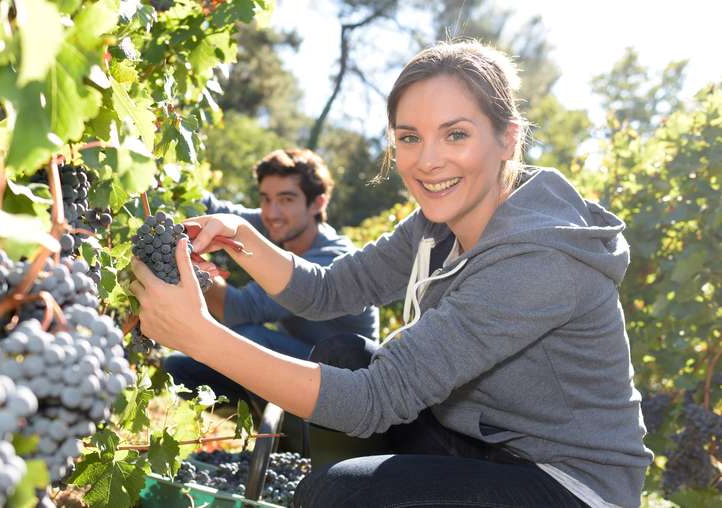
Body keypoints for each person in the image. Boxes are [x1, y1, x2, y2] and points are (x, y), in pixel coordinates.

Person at [130, 40, 653, 508]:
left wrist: (199, 336)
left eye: (456, 135)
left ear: (508, 139)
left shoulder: (538, 259)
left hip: (569, 485)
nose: (427, 162)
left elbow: (373, 401)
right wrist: (238, 237)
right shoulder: (436, 222)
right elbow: (329, 290)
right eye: (409, 137)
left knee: (339, 491)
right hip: (476, 440)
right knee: (343, 354)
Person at [163, 149, 379, 405]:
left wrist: (184, 262)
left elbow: (241, 308)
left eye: (286, 199)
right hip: (290, 363)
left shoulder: (331, 256)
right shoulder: (278, 224)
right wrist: (163, 175)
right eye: (265, 199)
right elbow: (216, 212)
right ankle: (262, 418)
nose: (272, 212)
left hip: (344, 384)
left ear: (317, 204)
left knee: (248, 337)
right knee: (178, 368)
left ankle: (283, 434)